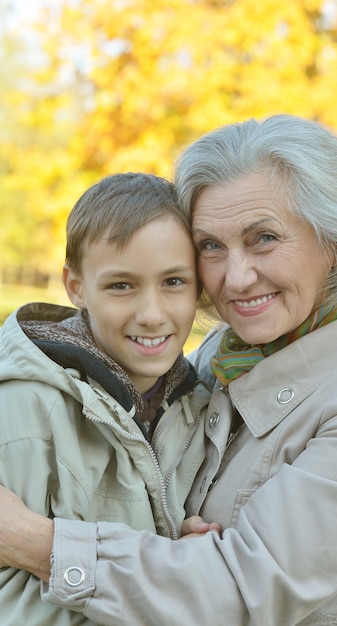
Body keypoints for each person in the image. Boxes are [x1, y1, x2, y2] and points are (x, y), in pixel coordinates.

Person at [1, 114, 337, 626]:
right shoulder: (228, 351)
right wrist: (178, 548)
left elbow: (245, 587)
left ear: (334, 239)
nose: (236, 278)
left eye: (263, 238)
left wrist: (31, 540)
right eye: (211, 247)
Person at [0, 172, 213, 625]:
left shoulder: (197, 404)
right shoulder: (26, 410)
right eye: (122, 285)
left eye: (174, 281)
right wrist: (167, 581)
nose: (152, 314)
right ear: (76, 287)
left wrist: (184, 558)